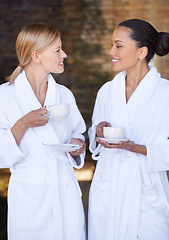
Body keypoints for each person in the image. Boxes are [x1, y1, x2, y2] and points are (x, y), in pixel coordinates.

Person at [0, 23, 86, 240]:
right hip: (30, 193)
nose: (64, 54)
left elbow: (77, 132)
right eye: (57, 50)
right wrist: (23, 123)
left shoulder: (64, 95)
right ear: (36, 56)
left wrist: (77, 145)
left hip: (64, 187)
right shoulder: (4, 97)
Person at [88, 19, 169, 240]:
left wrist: (139, 148)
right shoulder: (107, 91)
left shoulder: (165, 93)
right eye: (112, 45)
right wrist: (98, 131)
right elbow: (95, 134)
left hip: (147, 191)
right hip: (109, 186)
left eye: (118, 45)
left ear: (142, 51)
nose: (111, 51)